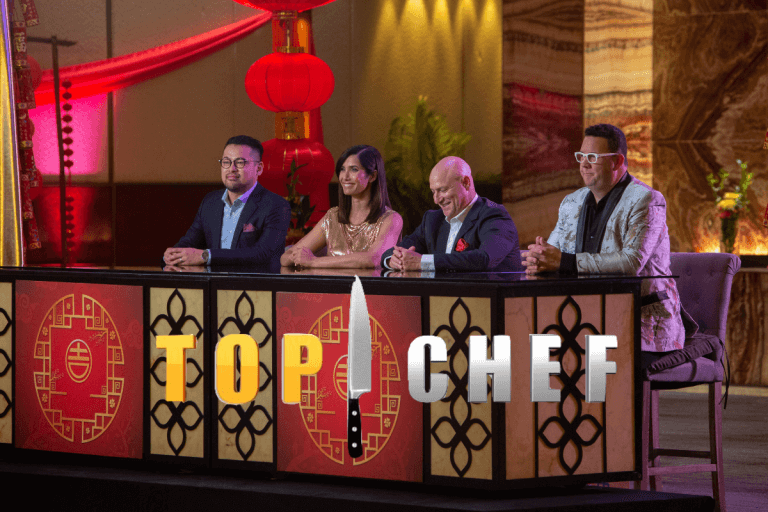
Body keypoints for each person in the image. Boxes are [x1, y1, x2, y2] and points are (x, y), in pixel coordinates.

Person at [522, 123, 685, 354]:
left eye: (592, 157)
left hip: (642, 323)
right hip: (582, 317)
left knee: (593, 363)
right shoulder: (571, 202)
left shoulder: (647, 200)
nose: (584, 164)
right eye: (581, 156)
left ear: (616, 161)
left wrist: (563, 262)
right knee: (532, 351)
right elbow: (553, 254)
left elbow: (631, 262)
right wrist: (539, 259)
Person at [163, 135, 290, 267]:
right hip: (213, 280)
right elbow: (190, 241)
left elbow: (263, 253)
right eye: (226, 162)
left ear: (259, 168)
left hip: (254, 280)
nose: (231, 168)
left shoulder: (276, 205)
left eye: (240, 162)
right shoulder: (210, 202)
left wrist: (206, 256)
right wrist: (172, 254)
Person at [381, 157, 521, 272]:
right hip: (438, 296)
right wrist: (394, 260)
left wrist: (422, 262)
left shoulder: (495, 216)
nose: (436, 200)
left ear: (466, 183)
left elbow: (484, 258)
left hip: (486, 296)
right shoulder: (432, 220)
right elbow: (391, 252)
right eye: (433, 192)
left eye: (442, 190)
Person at [281, 145, 402, 269]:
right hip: (329, 282)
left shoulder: (392, 219)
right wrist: (300, 257)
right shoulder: (332, 217)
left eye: (354, 169)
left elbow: (374, 259)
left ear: (372, 176)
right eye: (342, 169)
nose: (345, 177)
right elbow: (286, 257)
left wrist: (313, 261)